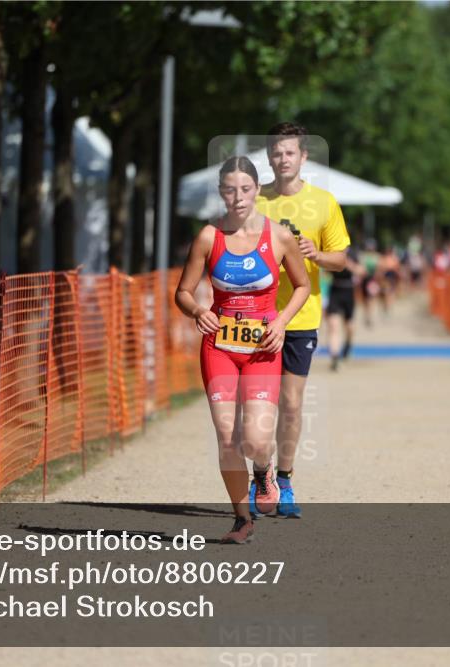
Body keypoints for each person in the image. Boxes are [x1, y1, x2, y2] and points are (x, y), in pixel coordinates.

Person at [175, 155, 309, 544]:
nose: (238, 197)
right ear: (221, 192)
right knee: (225, 433)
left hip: (262, 348)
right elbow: (182, 292)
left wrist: (280, 323)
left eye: (246, 189)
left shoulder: (279, 236)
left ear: (256, 190)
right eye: (230, 190)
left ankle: (264, 471)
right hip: (218, 346)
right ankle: (241, 518)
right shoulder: (207, 237)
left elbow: (301, 285)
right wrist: (199, 310)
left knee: (254, 440)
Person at [253, 121, 350, 518]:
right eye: (276, 152)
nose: (282, 158)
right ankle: (262, 479)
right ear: (270, 157)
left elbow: (341, 260)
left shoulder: (324, 203)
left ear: (303, 157)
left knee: (290, 405)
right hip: (255, 318)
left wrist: (315, 254)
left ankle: (286, 478)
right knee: (258, 409)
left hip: (300, 316)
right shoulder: (253, 200)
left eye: (290, 152)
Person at [326, 244, 362, 371]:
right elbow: (325, 271)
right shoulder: (331, 252)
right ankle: (335, 357)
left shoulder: (353, 253)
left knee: (349, 327)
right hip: (335, 290)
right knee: (333, 326)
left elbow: (362, 271)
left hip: (348, 291)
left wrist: (348, 265)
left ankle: (348, 344)